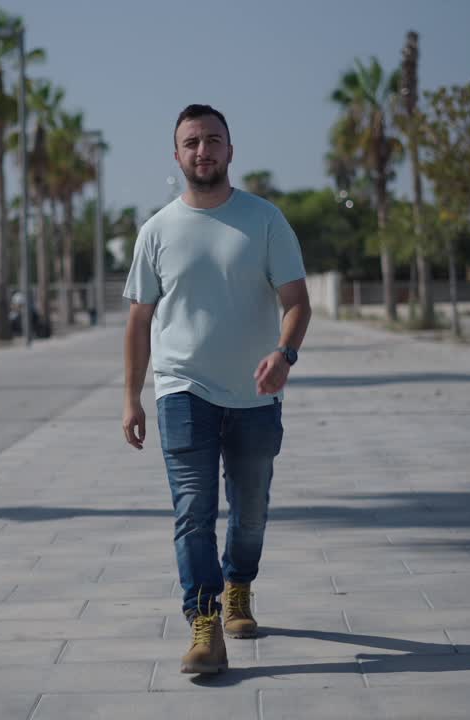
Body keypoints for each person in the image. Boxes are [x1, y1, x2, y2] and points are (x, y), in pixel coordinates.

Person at [121, 104, 311, 675]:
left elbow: (297, 302)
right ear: (176, 156)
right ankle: (203, 623)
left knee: (249, 513)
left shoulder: (265, 219)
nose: (203, 150)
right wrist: (132, 396)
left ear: (231, 150)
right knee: (192, 511)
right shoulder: (156, 230)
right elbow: (138, 320)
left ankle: (239, 586)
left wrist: (284, 355)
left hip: (256, 395)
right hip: (182, 389)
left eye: (213, 140)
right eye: (192, 142)